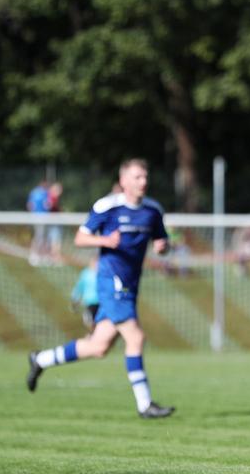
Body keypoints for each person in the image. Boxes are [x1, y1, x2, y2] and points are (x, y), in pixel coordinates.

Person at [26, 159, 175, 419]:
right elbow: (80, 238)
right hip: (110, 282)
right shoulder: (108, 207)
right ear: (124, 181)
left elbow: (162, 240)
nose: (144, 182)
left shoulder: (153, 210)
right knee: (136, 338)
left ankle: (41, 360)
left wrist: (163, 247)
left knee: (98, 346)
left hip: (131, 284)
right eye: (138, 177)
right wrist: (105, 240)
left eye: (145, 177)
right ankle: (145, 405)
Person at [71, 256, 100, 333]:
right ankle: (93, 334)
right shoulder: (86, 273)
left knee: (99, 321)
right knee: (89, 321)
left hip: (101, 302)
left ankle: (95, 335)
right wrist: (75, 299)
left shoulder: (102, 274)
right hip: (89, 302)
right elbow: (79, 286)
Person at [27, 180, 51, 266]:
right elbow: (47, 205)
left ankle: (38, 255)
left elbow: (30, 205)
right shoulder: (45, 193)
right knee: (40, 236)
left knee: (40, 236)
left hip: (37, 217)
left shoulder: (33, 192)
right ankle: (36, 255)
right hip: (42, 217)